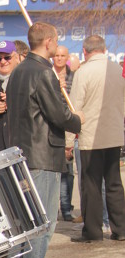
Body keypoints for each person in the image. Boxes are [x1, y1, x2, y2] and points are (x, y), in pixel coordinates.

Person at [6, 22, 83, 258]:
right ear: (49, 42)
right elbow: (58, 114)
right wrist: (77, 120)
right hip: (42, 154)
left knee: (27, 219)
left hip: (22, 152)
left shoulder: (18, 72)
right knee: (42, 220)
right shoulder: (43, 72)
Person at [69, 34, 125, 243]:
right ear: (104, 49)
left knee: (91, 185)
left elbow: (75, 108)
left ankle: (93, 231)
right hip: (113, 134)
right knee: (114, 183)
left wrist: (67, 142)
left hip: (90, 136)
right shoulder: (118, 70)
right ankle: (120, 229)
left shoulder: (83, 73)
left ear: (85, 51)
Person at [53, 45, 76, 221]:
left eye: (62, 56)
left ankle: (67, 207)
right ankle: (57, 208)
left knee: (68, 172)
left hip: (69, 126)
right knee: (57, 173)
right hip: (53, 127)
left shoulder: (73, 77)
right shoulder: (47, 73)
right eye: (57, 55)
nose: (59, 58)